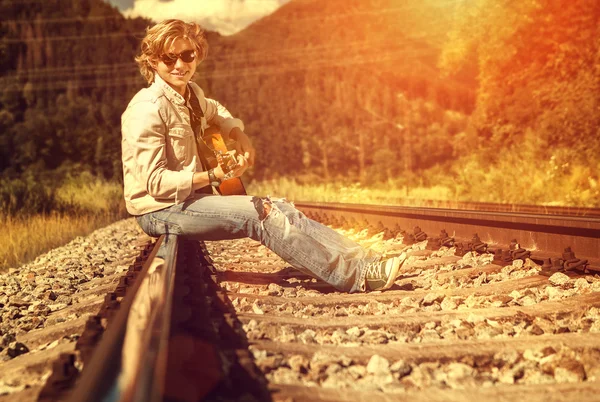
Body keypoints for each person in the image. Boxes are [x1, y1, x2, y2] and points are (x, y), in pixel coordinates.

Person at [121, 19, 406, 293]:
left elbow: (215, 109)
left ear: (197, 55)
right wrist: (213, 176)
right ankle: (354, 276)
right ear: (153, 62)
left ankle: (364, 259)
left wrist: (237, 134)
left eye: (187, 55)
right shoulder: (147, 109)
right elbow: (155, 183)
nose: (180, 65)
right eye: (169, 58)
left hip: (186, 198)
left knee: (281, 207)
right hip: (159, 210)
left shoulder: (190, 93)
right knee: (260, 214)